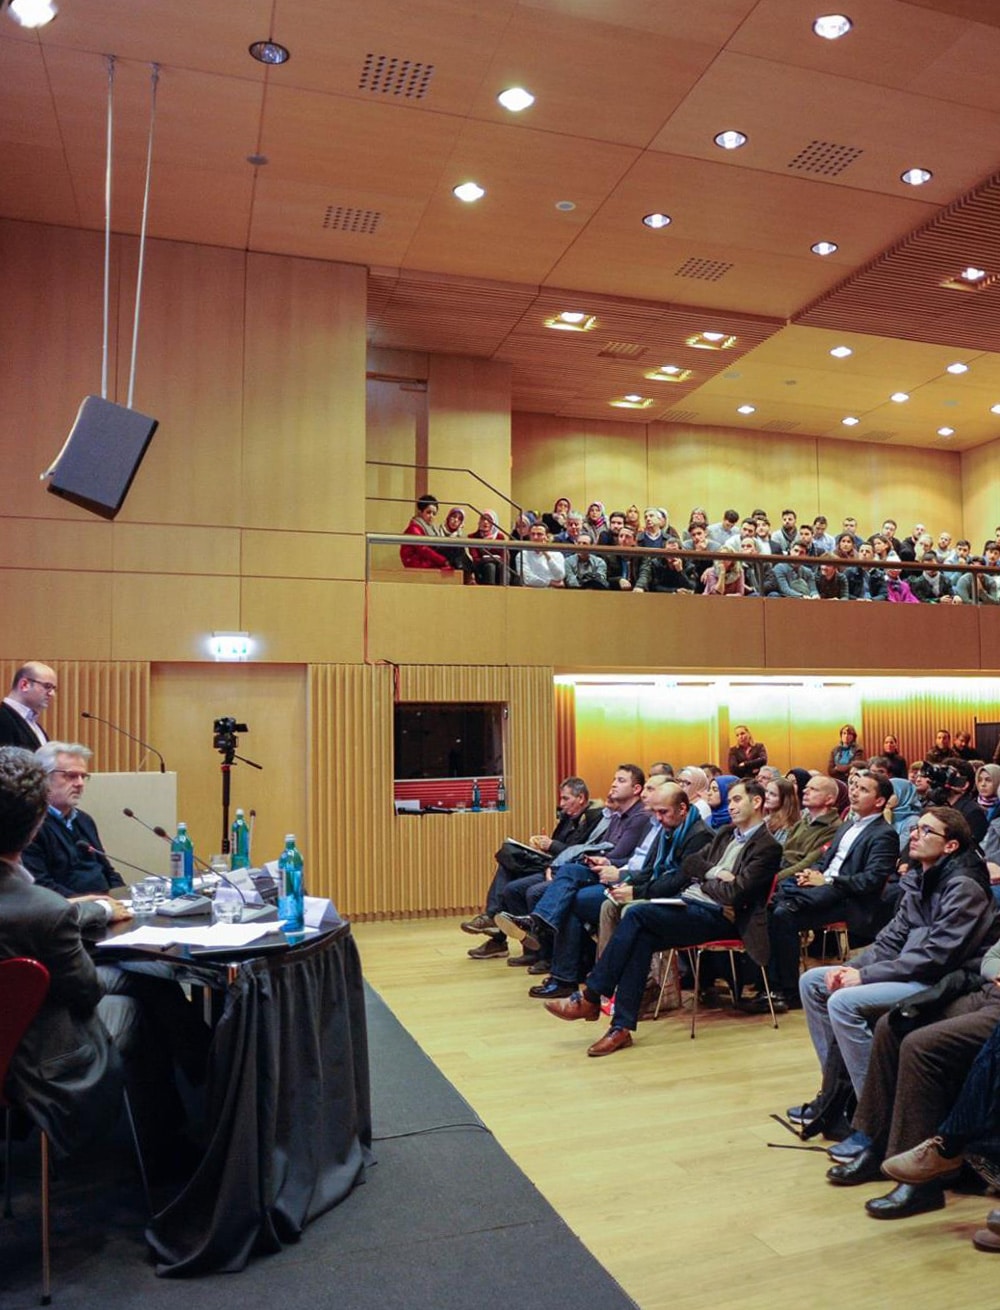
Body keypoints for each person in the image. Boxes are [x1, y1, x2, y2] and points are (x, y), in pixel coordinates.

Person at [543, 781, 782, 1056]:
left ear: (757, 802)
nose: (731, 805)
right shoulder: (726, 833)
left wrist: (705, 879)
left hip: (724, 917)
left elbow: (735, 895)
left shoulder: (768, 846)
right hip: (693, 904)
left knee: (637, 914)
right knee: (641, 936)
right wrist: (716, 873)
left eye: (738, 799)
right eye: (730, 800)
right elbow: (691, 865)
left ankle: (591, 996)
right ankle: (620, 1027)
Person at [792, 808, 999, 1111]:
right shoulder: (919, 876)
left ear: (950, 845)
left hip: (941, 980)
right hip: (911, 970)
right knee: (813, 981)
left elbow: (936, 957)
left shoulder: (964, 886)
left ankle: (871, 1111)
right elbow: (892, 938)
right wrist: (855, 967)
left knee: (843, 1003)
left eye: (927, 831)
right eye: (916, 828)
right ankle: (835, 1093)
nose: (915, 835)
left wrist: (865, 977)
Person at [0, 746, 136, 1156]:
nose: (78, 783)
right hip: (36, 1058)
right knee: (140, 998)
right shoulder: (46, 911)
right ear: (36, 823)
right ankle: (159, 1151)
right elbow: (87, 991)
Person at [823, 941, 1000, 1219]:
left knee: (920, 1045)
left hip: (980, 997)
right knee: (890, 1025)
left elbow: (940, 952)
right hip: (983, 988)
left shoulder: (970, 895)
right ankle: (880, 1144)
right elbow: (992, 955)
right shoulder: (920, 895)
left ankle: (922, 1185)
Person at [767, 770, 899, 1010]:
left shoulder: (884, 834)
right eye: (855, 787)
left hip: (850, 900)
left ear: (879, 801)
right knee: (769, 904)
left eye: (864, 790)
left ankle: (788, 991)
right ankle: (768, 984)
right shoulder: (847, 826)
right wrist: (811, 874)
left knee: (783, 913)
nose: (855, 792)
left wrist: (829, 881)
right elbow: (825, 860)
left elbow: (871, 880)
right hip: (825, 889)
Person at [462, 776, 602, 959]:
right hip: (553, 861)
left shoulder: (593, 819)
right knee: (509, 858)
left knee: (513, 883)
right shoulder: (568, 818)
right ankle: (498, 931)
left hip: (565, 868)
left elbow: (579, 851)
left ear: (581, 798)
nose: (561, 804)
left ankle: (499, 932)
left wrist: (551, 845)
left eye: (566, 799)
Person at [22, 742, 125, 897]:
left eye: (83, 776)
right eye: (71, 776)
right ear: (43, 776)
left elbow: (107, 871)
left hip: (104, 908)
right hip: (67, 913)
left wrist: (124, 898)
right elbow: (41, 886)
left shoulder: (84, 820)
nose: (80, 784)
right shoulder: (31, 823)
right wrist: (94, 905)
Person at [0, 662, 56, 748]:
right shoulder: (2, 718)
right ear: (24, 685)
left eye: (53, 688)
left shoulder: (34, 724)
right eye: (47, 686)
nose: (52, 693)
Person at [399, 494, 451, 570]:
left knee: (455, 549)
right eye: (428, 512)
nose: (431, 516)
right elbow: (423, 549)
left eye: (434, 514)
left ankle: (468, 577)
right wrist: (443, 561)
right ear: (420, 512)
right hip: (416, 561)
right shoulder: (414, 528)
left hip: (424, 559)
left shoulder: (431, 527)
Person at [469, 510, 514, 586]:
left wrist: (488, 558)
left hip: (499, 568)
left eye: (489, 520)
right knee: (490, 566)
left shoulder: (500, 537)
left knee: (504, 568)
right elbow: (476, 559)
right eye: (483, 519)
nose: (486, 522)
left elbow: (504, 558)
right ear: (479, 522)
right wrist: (493, 559)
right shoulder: (472, 537)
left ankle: (504, 593)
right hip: (480, 569)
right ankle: (490, 592)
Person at [520, 521, 567, 589]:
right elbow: (527, 579)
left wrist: (546, 555)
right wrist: (550, 582)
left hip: (552, 593)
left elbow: (559, 576)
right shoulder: (522, 554)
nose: (535, 537)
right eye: (532, 534)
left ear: (546, 536)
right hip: (531, 592)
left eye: (539, 534)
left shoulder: (557, 554)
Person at [763, 777, 801, 845]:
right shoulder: (766, 820)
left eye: (772, 794)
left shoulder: (787, 828)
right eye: (766, 791)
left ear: (785, 800)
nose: (766, 796)